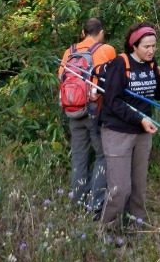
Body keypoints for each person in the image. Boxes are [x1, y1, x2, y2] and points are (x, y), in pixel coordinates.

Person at [99, 22, 160, 229]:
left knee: (139, 186)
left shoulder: (151, 64)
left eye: (154, 46)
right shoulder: (120, 64)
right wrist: (140, 119)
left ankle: (136, 227)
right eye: (146, 46)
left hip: (143, 132)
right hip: (118, 132)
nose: (151, 50)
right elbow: (112, 101)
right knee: (120, 188)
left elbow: (157, 96)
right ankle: (107, 231)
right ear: (134, 46)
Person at [58, 17, 116, 215]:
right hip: (95, 112)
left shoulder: (69, 52)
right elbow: (113, 81)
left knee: (79, 156)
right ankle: (95, 205)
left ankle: (78, 203)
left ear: (83, 33)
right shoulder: (106, 50)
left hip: (72, 111)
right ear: (101, 33)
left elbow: (61, 79)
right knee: (102, 156)